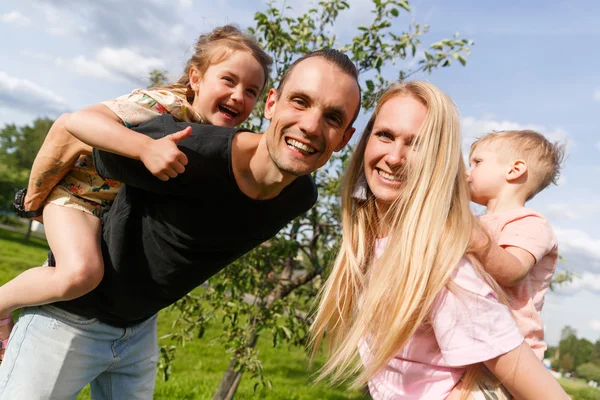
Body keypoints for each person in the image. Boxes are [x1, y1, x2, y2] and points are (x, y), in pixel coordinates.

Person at [0, 48, 361, 400]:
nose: (311, 126)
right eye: (300, 101)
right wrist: (31, 199)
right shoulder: (185, 151)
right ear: (272, 105)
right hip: (69, 321)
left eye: (333, 118)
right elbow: (73, 131)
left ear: (345, 138)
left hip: (138, 332)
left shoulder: (300, 196)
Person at [0, 24, 272, 358]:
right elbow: (77, 122)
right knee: (80, 273)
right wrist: (145, 147)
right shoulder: (164, 105)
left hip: (106, 214)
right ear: (196, 79)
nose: (238, 96)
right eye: (228, 80)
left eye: (251, 91)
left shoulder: (216, 136)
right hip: (76, 198)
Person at [309, 82, 569, 399]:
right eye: (385, 135)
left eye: (418, 145)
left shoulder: (444, 260)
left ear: (439, 160)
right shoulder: (375, 235)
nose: (394, 156)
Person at [467, 130, 564, 360]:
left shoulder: (531, 224)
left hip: (513, 352)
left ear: (514, 170)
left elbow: (512, 271)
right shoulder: (477, 222)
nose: (468, 172)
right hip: (476, 342)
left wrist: (464, 228)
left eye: (477, 163)